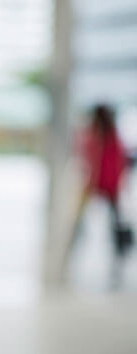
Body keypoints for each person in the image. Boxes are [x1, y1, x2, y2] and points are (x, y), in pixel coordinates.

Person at [71, 104, 131, 282]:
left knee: (107, 222)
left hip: (98, 184)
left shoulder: (99, 136)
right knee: (104, 222)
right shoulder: (106, 135)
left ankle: (77, 249)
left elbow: (88, 157)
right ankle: (78, 249)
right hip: (104, 185)